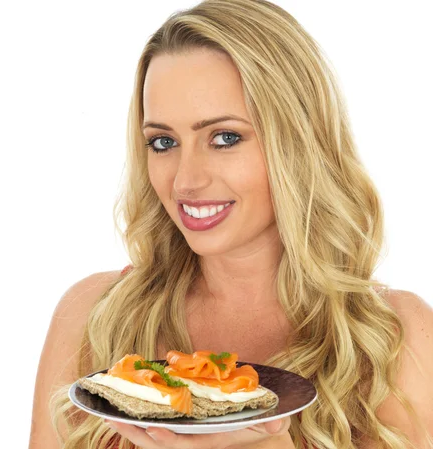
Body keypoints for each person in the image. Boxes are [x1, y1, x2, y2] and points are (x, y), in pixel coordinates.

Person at [29, 0, 433, 448]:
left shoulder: (394, 338)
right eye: (163, 142)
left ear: (297, 141)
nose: (185, 180)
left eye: (224, 138)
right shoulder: (93, 316)